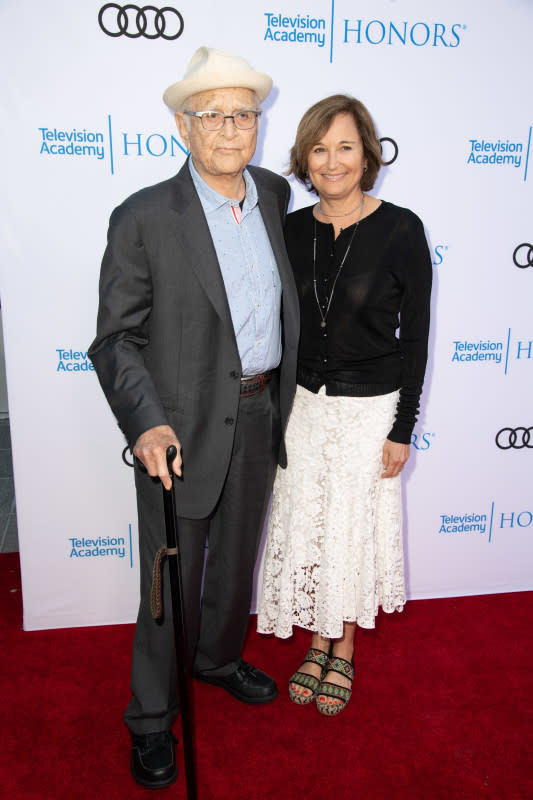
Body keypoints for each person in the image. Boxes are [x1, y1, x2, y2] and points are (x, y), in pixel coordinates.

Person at [88, 47, 299, 787]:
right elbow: (115, 337)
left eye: (243, 114)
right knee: (166, 582)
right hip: (175, 433)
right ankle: (150, 716)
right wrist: (145, 422)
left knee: (236, 560)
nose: (230, 130)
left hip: (260, 409)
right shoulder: (145, 216)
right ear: (183, 126)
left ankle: (216, 659)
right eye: (212, 115)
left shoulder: (273, 195)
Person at [257, 94, 432, 716]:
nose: (332, 161)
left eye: (345, 147)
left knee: (351, 533)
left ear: (368, 155)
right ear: (306, 158)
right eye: (319, 148)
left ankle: (344, 647)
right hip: (303, 408)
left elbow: (415, 338)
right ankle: (315, 637)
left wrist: (403, 428)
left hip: (370, 411)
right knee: (310, 524)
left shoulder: (402, 228)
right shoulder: (291, 229)